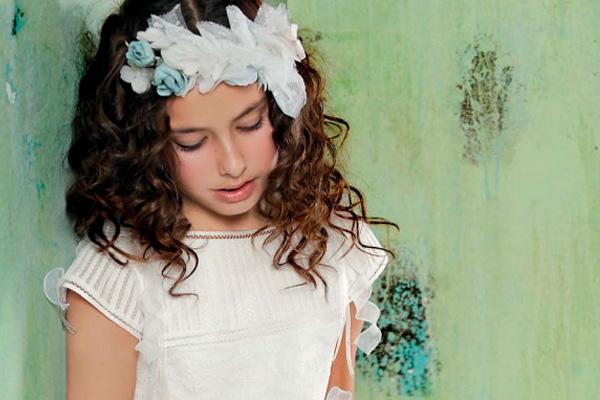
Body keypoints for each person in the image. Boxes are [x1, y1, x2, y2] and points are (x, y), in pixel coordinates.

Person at [42, 1, 398, 399]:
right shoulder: (122, 275)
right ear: (145, 144)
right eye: (191, 142)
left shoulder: (328, 243)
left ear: (282, 111)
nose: (232, 164)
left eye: (249, 125)